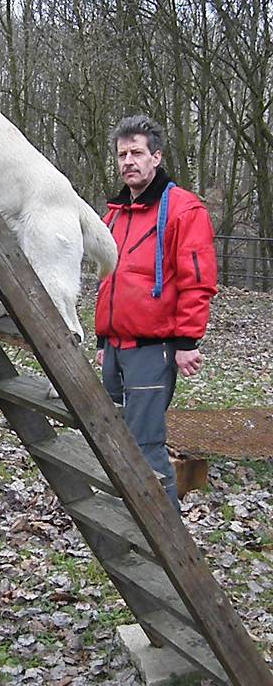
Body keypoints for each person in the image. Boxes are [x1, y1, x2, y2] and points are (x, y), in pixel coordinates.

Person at [95, 115, 218, 510]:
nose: (129, 161)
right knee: (113, 436)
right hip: (115, 348)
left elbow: (197, 279)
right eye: (122, 154)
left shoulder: (184, 209)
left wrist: (186, 342)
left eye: (137, 153)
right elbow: (107, 280)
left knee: (145, 444)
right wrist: (103, 339)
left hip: (154, 349)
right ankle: (127, 513)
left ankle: (166, 538)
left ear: (156, 157)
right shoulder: (114, 214)